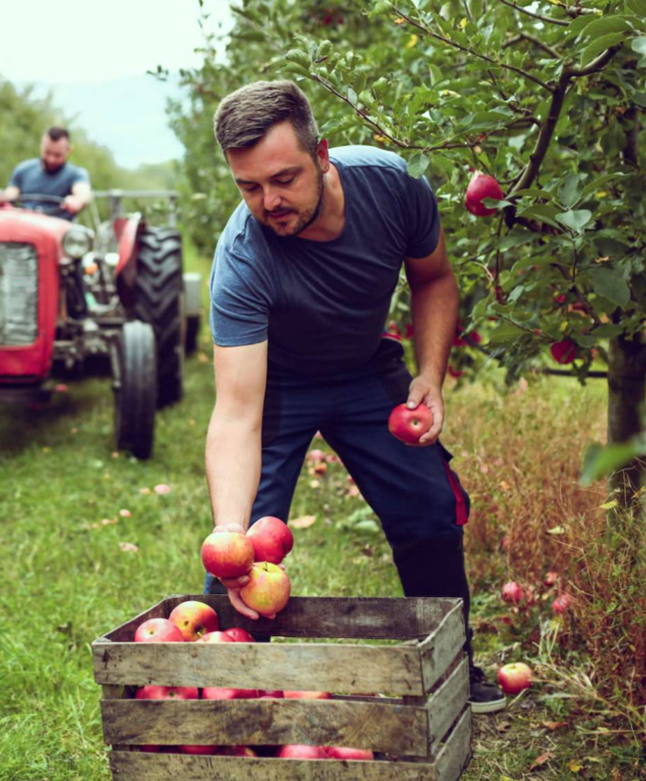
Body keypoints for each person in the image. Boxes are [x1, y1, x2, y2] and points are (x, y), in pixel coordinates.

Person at [201, 80, 504, 714]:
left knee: (429, 514)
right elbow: (235, 414)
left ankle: (452, 669)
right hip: (278, 385)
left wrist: (430, 374)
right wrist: (229, 529)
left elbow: (435, 277)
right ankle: (228, 690)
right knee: (239, 554)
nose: (269, 202)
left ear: (323, 154)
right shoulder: (242, 259)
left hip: (367, 371)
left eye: (283, 178)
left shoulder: (393, 186)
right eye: (249, 187)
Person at [0, 126, 92, 220]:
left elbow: (84, 193)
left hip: (58, 229)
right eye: (47, 152)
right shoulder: (24, 169)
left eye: (57, 155)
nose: (51, 159)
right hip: (25, 224)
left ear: (68, 150)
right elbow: (10, 193)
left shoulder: (76, 174)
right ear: (41, 146)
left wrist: (77, 200)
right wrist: (1, 196)